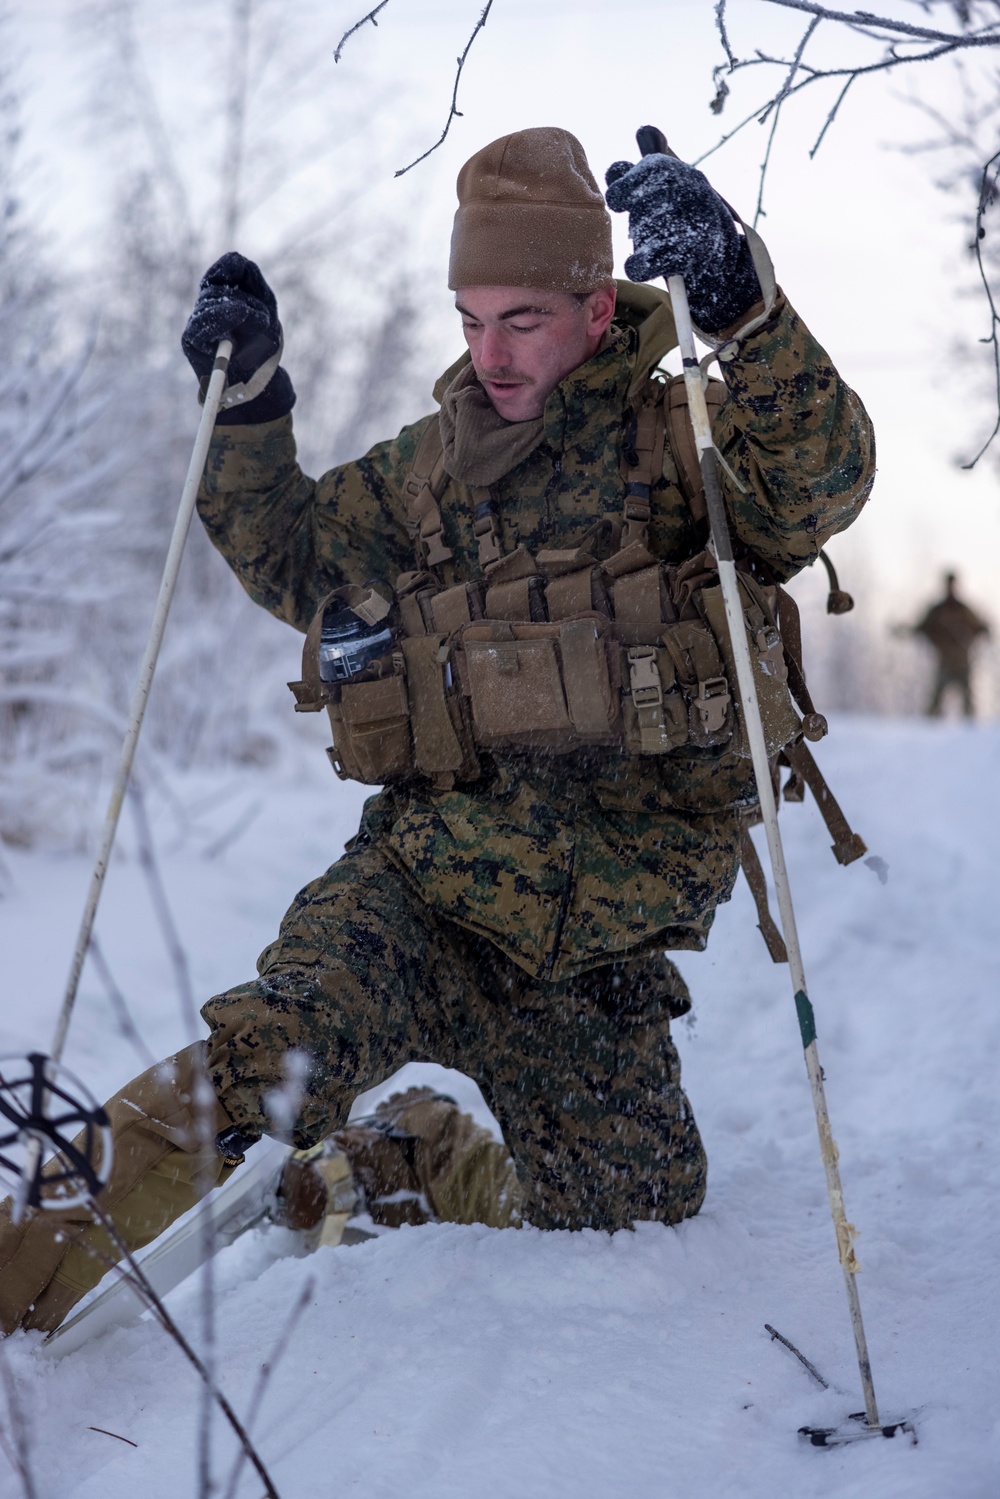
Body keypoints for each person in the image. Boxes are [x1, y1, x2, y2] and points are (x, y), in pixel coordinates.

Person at [0, 127, 875, 1336]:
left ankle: (400, 1152)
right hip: (425, 893)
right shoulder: (430, 470)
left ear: (593, 305)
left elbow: (821, 481)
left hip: (594, 955)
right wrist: (245, 403)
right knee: (269, 1051)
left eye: (519, 317)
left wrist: (740, 304)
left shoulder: (687, 445)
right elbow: (296, 555)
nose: (488, 351)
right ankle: (12, 1275)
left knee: (636, 1213)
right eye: (468, 317)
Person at [913, 571, 989, 718]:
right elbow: (923, 627)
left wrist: (981, 631)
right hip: (945, 661)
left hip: (962, 661)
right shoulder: (938, 610)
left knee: (968, 703)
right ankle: (927, 733)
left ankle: (971, 734)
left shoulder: (963, 610)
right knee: (935, 702)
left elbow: (978, 627)